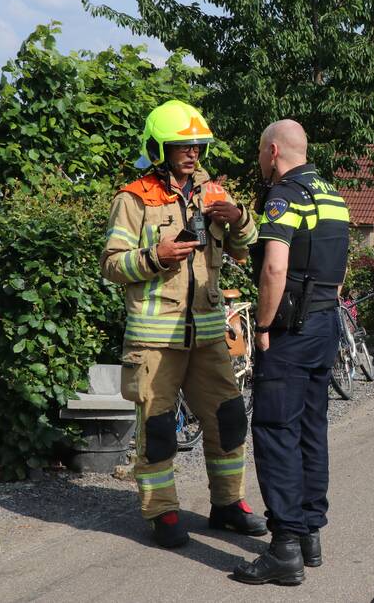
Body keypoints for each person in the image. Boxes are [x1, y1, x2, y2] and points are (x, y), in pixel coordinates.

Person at [101, 100, 265, 547]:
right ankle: (163, 512)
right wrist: (156, 256)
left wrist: (239, 218)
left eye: (197, 146)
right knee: (157, 429)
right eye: (182, 145)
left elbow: (248, 246)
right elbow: (111, 265)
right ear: (159, 148)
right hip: (155, 341)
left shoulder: (214, 192)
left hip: (208, 335)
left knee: (229, 418)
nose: (192, 153)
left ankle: (228, 505)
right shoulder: (134, 198)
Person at [233, 120, 350, 585]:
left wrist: (263, 326)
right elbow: (339, 272)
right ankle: (309, 536)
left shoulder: (284, 196)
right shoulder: (333, 196)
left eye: (261, 152)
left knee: (276, 431)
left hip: (291, 332)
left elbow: (274, 269)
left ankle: (284, 548)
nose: (260, 160)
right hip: (325, 325)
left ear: (274, 151)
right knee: (311, 429)